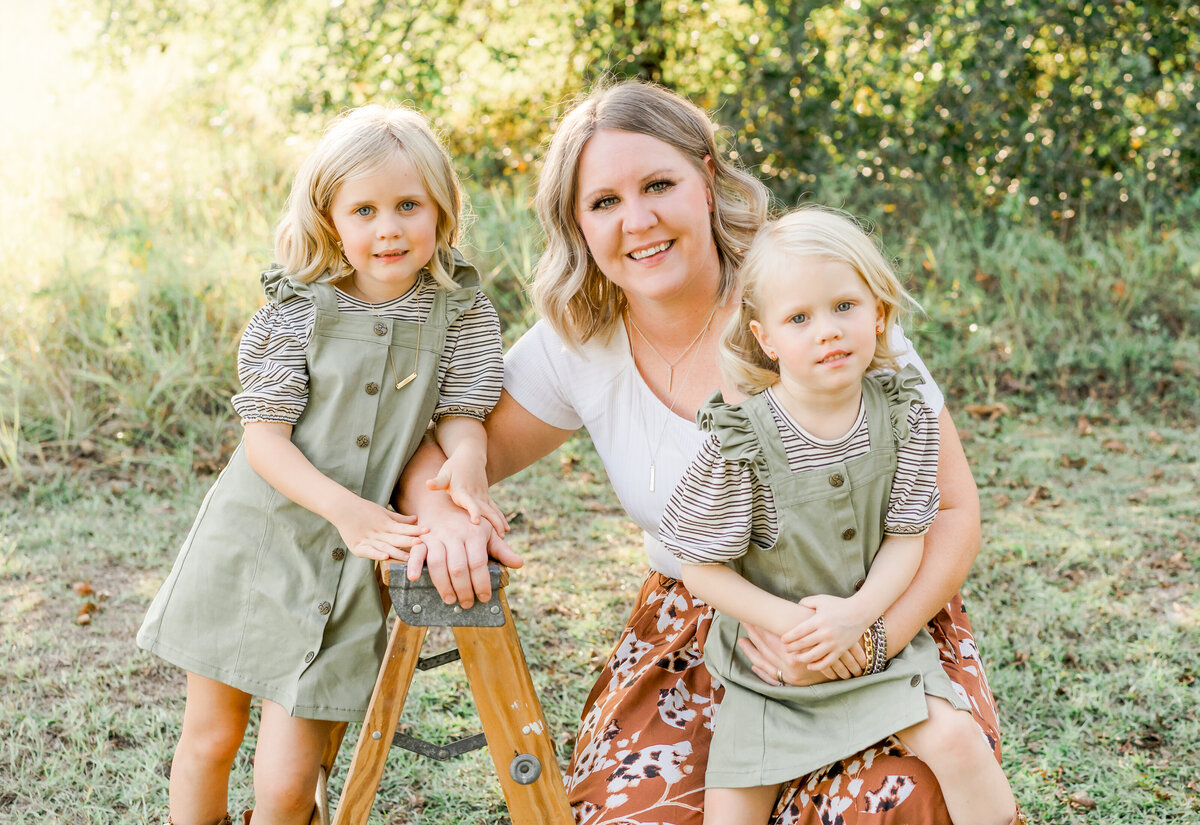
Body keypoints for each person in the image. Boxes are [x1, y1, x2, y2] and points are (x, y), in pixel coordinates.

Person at [398, 80, 1003, 825]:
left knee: (898, 800)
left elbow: (950, 505)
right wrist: (445, 515)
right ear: (577, 224)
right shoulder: (578, 341)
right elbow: (444, 452)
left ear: (708, 181)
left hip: (871, 602)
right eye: (604, 202)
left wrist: (872, 636)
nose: (638, 220)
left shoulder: (813, 302)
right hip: (698, 628)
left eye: (658, 184)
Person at [137, 104, 507, 825]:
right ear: (331, 218)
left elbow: (462, 413)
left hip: (343, 573)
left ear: (441, 208)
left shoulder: (462, 311)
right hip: (257, 540)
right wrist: (351, 509)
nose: (389, 228)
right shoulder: (297, 308)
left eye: (408, 205)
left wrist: (466, 461)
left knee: (285, 780)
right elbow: (264, 439)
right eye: (363, 209)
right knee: (211, 739)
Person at [660, 207, 1022, 825]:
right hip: (770, 663)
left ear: (878, 314)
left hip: (876, 638)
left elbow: (908, 539)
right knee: (732, 807)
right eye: (799, 318)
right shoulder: (739, 439)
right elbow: (701, 568)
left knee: (959, 742)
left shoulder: (903, 413)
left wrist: (858, 619)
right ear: (766, 338)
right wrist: (797, 629)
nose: (827, 331)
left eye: (844, 307)